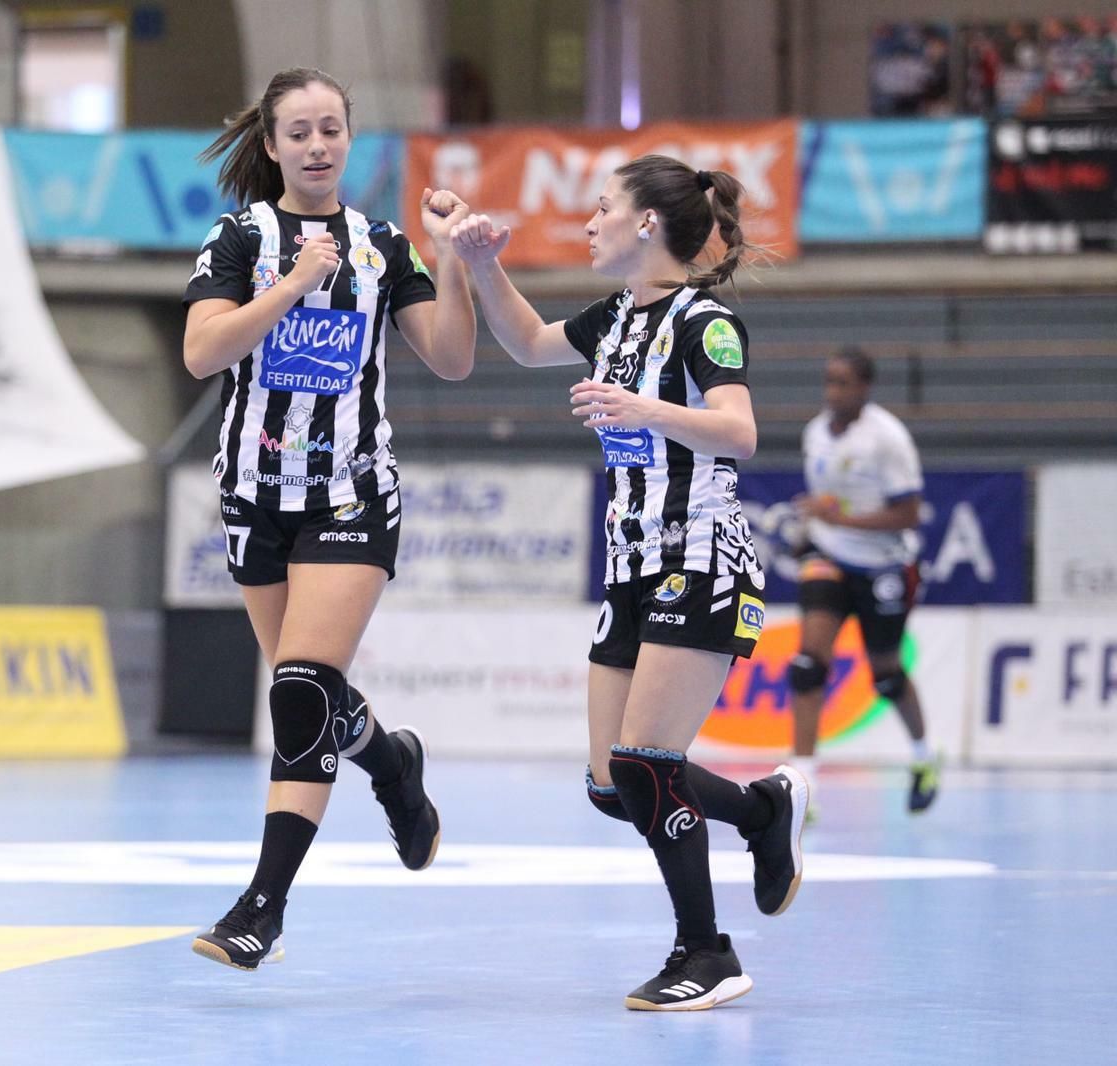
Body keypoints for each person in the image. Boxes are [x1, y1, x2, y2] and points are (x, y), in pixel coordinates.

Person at [449, 154, 806, 1012]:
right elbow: (528, 342)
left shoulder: (705, 323)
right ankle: (760, 814)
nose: (590, 219)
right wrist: (479, 265)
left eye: (603, 206)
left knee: (648, 764)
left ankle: (707, 952)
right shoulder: (615, 318)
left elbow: (741, 433)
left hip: (702, 558)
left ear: (647, 223)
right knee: (613, 784)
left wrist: (650, 411)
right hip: (633, 566)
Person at [181, 67, 477, 971]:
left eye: (332, 131)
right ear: (271, 146)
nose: (317, 146)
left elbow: (454, 359)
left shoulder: (384, 246)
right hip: (253, 496)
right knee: (310, 694)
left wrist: (453, 255)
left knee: (302, 688)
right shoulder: (238, 237)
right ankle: (391, 765)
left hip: (350, 494)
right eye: (299, 132)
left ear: (351, 141)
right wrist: (291, 287)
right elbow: (202, 355)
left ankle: (261, 908)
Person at [788, 346, 939, 815]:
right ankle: (802, 787)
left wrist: (841, 518)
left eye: (842, 383)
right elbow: (826, 501)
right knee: (808, 666)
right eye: (828, 381)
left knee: (887, 677)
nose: (832, 391)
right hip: (830, 556)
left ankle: (924, 757)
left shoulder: (887, 439)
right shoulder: (815, 432)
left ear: (864, 388)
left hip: (885, 566)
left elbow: (909, 515)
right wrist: (815, 525)